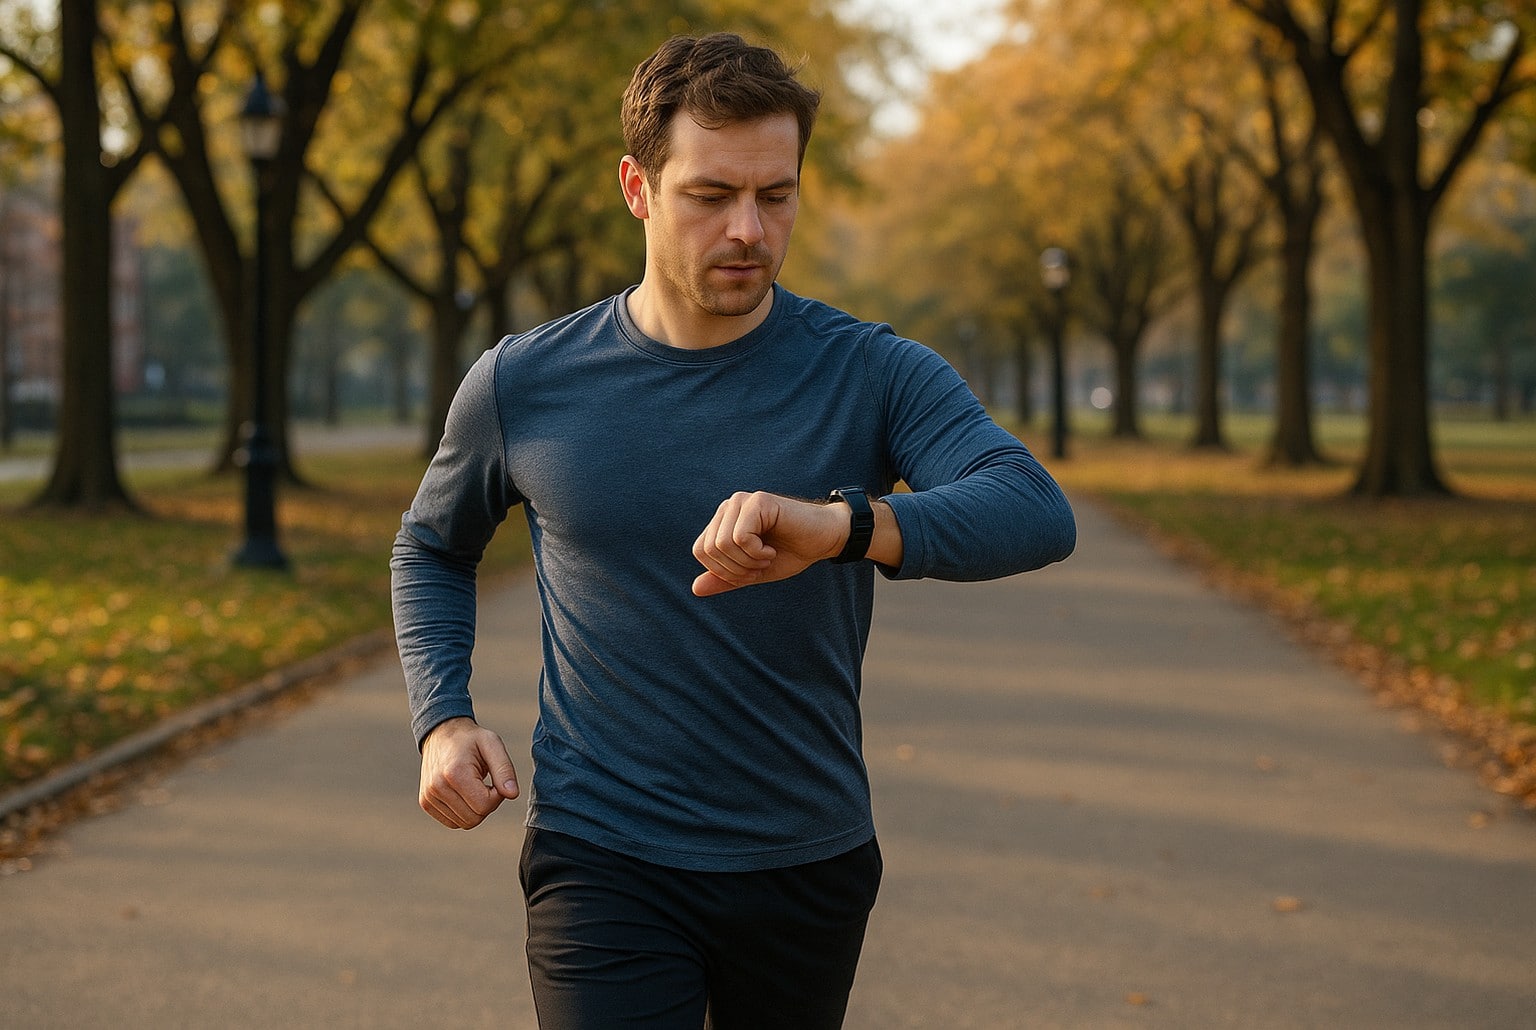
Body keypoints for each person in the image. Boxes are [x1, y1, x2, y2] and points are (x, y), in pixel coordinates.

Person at [391, 31, 1075, 1029]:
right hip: (601, 851)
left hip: (806, 853)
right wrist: (440, 717)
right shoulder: (521, 381)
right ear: (638, 186)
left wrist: (844, 525)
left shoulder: (874, 372)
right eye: (710, 196)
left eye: (777, 194)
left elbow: (1031, 506)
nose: (749, 229)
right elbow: (432, 547)